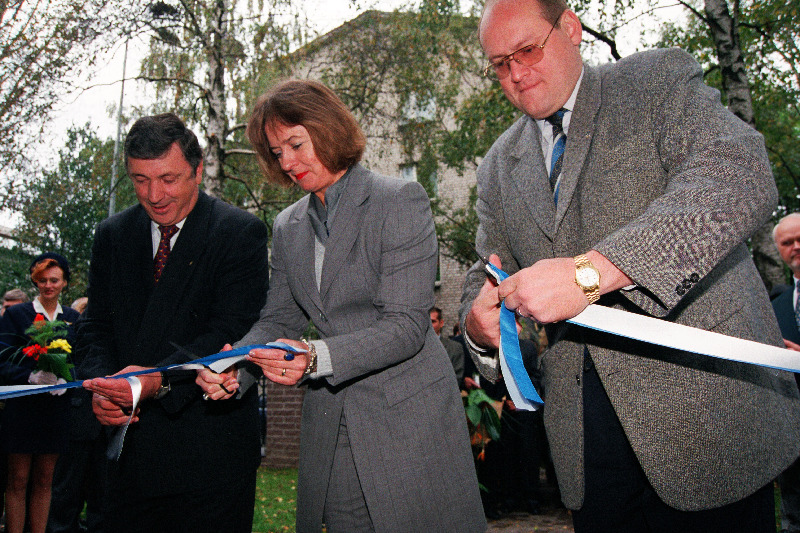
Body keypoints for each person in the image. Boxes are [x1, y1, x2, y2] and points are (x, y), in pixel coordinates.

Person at [460, 0, 800, 531]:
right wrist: (479, 327)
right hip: (588, 453)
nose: (517, 74)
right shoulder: (498, 166)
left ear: (569, 28)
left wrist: (591, 273)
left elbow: (739, 174)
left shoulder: (654, 82)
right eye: (500, 63)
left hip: (710, 421)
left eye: (527, 50)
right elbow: (483, 270)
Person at [203, 79, 485, 532]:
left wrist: (316, 357)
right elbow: (278, 318)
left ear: (327, 129)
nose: (288, 163)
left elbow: (407, 326)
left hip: (408, 419)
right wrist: (236, 364)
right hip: (332, 425)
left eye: (296, 144)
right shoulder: (288, 226)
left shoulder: (399, 200)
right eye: (277, 153)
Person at [78, 113, 269, 533]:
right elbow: (96, 328)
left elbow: (231, 331)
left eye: (168, 178)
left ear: (198, 170)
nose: (154, 194)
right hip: (123, 455)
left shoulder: (239, 233)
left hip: (206, 459)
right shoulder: (112, 235)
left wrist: (154, 379)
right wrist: (100, 387)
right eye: (140, 180)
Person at [0, 253, 79, 533]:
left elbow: (81, 359)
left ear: (65, 283)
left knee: (46, 479)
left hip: (55, 409)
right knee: (18, 479)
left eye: (54, 280)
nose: (48, 285)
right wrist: (30, 376)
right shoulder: (17, 314)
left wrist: (65, 379)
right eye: (42, 280)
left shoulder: (71, 318)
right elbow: (3, 356)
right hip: (23, 407)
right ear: (35, 281)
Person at [771, 212, 800, 533]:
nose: (795, 246)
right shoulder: (775, 304)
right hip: (791, 429)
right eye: (787, 242)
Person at [430, 306, 465, 381]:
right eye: (426, 322)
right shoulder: (414, 348)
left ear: (441, 323)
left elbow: (457, 377)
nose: (429, 325)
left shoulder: (454, 348)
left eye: (433, 321)